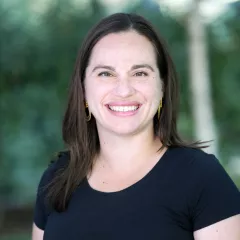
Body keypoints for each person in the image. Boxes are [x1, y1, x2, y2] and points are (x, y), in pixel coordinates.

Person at [32, 13, 240, 240]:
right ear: (82, 88)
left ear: (162, 87)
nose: (124, 90)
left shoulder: (202, 178)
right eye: (106, 73)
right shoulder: (57, 179)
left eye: (140, 73)